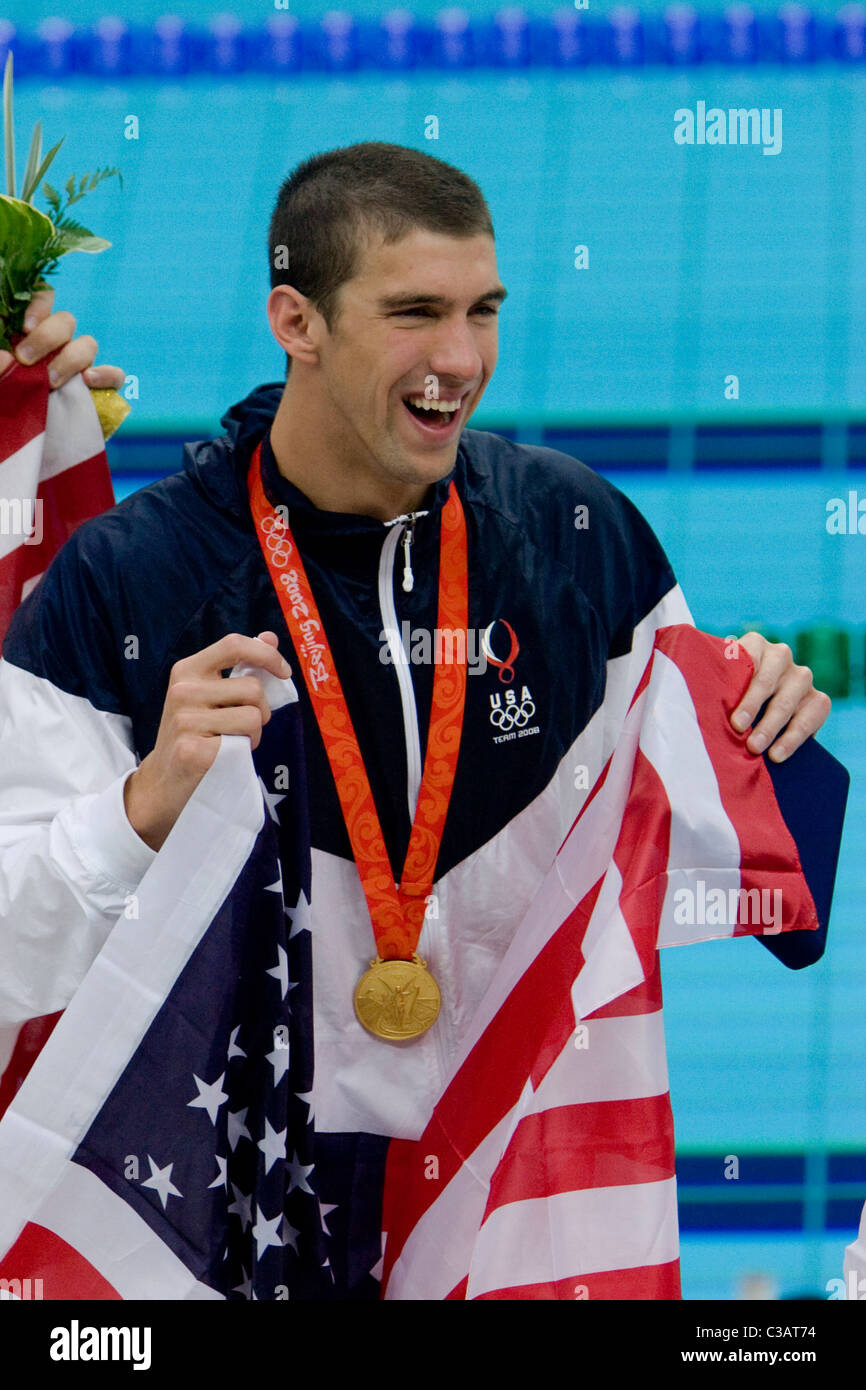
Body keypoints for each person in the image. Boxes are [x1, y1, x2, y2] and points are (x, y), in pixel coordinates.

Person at [0, 142, 832, 1297]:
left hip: (502, 1200)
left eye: (481, 310)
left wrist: (774, 729)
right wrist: (138, 814)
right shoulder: (130, 585)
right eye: (413, 313)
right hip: (230, 1215)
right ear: (296, 320)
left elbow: (736, 874)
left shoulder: (575, 538)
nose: (459, 358)